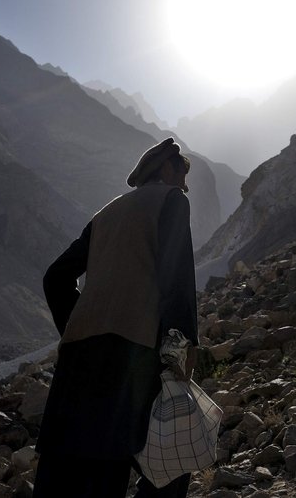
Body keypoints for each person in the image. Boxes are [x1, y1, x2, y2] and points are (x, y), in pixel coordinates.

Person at [33, 137, 199, 498]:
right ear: (165, 170)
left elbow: (55, 278)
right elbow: (177, 283)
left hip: (77, 359)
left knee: (73, 468)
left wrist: (78, 325)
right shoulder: (171, 201)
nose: (184, 186)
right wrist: (180, 355)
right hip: (131, 355)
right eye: (181, 175)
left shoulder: (105, 213)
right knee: (172, 456)